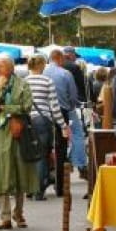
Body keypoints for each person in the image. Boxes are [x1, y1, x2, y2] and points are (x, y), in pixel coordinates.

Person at [0, 53, 37, 229]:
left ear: (10, 67)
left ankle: (18, 213)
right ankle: (5, 217)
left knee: (18, 174)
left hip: (17, 134)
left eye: (0, 65)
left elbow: (26, 107)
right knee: (0, 175)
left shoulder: (23, 85)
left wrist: (6, 108)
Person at [24, 55, 68, 201]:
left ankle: (29, 188)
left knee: (29, 155)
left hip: (27, 121)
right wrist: (63, 125)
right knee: (42, 155)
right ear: (42, 65)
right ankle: (39, 190)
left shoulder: (24, 82)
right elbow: (54, 107)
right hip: (43, 121)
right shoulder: (47, 81)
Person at [43, 49, 78, 195]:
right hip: (61, 113)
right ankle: (60, 186)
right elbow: (73, 97)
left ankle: (41, 183)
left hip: (43, 114)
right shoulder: (65, 74)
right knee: (61, 149)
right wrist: (69, 107)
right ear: (59, 58)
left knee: (44, 148)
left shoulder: (41, 73)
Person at [61, 47, 89, 178]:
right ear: (70, 55)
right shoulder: (75, 68)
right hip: (72, 106)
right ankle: (80, 164)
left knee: (63, 136)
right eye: (74, 56)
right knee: (78, 135)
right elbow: (80, 89)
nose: (75, 58)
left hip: (56, 108)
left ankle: (64, 162)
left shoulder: (54, 67)